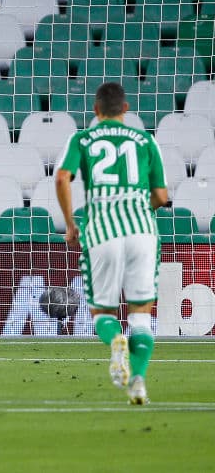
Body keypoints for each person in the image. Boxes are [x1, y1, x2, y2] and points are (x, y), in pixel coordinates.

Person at [55, 82, 167, 405]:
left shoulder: (82, 138)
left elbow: (62, 177)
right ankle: (139, 381)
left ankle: (116, 339)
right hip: (142, 231)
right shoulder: (147, 141)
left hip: (102, 230)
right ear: (126, 109)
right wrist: (137, 209)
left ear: (96, 110)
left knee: (103, 311)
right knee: (142, 315)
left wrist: (71, 225)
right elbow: (161, 196)